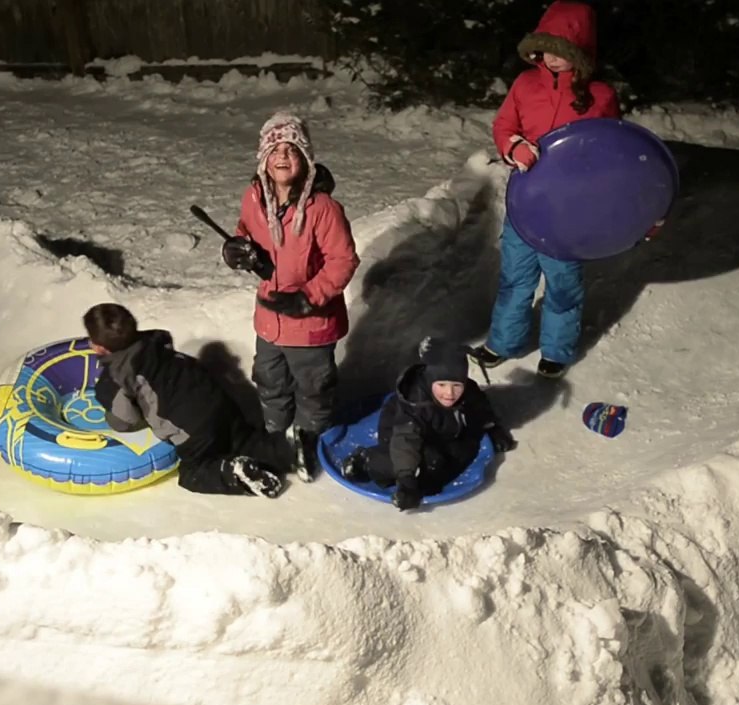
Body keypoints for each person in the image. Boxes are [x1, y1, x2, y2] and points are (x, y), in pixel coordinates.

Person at [471, 0, 621, 379]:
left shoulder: (601, 95)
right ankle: (503, 342)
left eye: (561, 50)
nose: (550, 58)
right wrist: (514, 146)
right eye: (545, 49)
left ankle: (556, 349)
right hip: (525, 203)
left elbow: (612, 150)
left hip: (568, 213)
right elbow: (504, 125)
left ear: (580, 52)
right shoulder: (525, 84)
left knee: (562, 284)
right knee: (515, 278)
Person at [222, 112, 360, 480]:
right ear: (263, 158)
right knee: (270, 380)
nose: (283, 156)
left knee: (313, 387)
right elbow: (245, 231)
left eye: (292, 150)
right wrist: (237, 249)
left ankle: (308, 439)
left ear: (305, 159)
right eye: (275, 150)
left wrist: (308, 297)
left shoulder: (322, 208)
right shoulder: (254, 198)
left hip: (311, 323)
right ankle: (276, 434)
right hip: (270, 318)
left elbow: (343, 260)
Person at [83, 303, 288, 498]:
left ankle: (233, 473)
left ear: (99, 348)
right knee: (246, 442)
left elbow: (125, 421)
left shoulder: (114, 380)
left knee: (191, 473)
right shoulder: (156, 339)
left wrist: (114, 412)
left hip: (192, 428)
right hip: (218, 402)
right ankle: (291, 451)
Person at [342, 337, 517, 512]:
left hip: (439, 433)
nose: (450, 393)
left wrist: (491, 427)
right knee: (424, 462)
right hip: (399, 432)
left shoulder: (468, 391)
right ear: (430, 380)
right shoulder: (416, 402)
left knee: (457, 456)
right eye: (441, 385)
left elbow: (479, 407)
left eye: (457, 385)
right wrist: (406, 478)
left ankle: (422, 480)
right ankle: (366, 461)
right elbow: (406, 439)